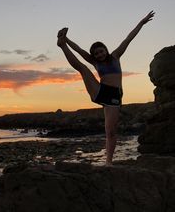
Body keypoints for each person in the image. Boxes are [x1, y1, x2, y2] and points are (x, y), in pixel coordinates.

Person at [56, 11, 155, 166]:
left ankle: (108, 161)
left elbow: (128, 38)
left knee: (110, 131)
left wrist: (141, 23)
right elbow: (79, 50)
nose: (99, 54)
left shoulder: (116, 56)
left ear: (106, 50)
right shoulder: (96, 62)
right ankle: (61, 46)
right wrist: (66, 40)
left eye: (101, 51)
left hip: (114, 97)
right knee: (83, 68)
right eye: (96, 53)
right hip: (101, 91)